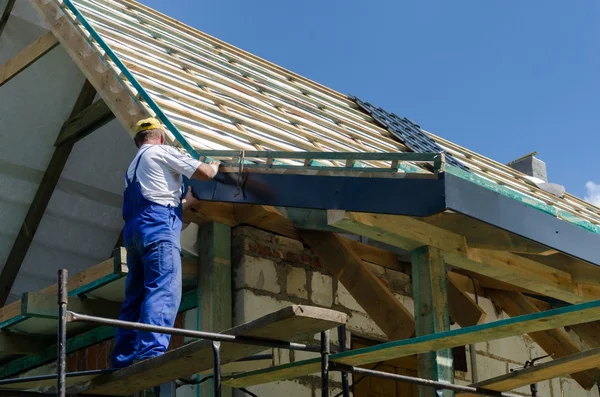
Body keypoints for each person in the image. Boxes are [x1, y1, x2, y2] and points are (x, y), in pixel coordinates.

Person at [111, 117, 219, 368]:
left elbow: (153, 201)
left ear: (137, 141)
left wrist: (186, 204)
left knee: (135, 295)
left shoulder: (132, 167)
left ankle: (123, 358)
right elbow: (204, 174)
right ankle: (150, 351)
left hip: (135, 232)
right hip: (158, 229)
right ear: (160, 136)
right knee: (163, 286)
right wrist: (214, 165)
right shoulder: (162, 151)